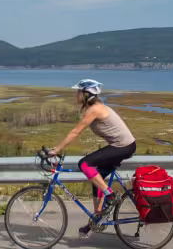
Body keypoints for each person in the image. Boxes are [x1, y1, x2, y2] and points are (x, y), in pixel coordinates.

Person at [49, 79, 136, 237]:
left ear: (86, 94)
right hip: (123, 146)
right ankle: (96, 220)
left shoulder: (94, 109)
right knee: (97, 178)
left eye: (77, 92)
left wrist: (57, 149)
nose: (75, 95)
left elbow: (76, 131)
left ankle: (110, 195)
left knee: (84, 164)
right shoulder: (94, 108)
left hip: (123, 146)